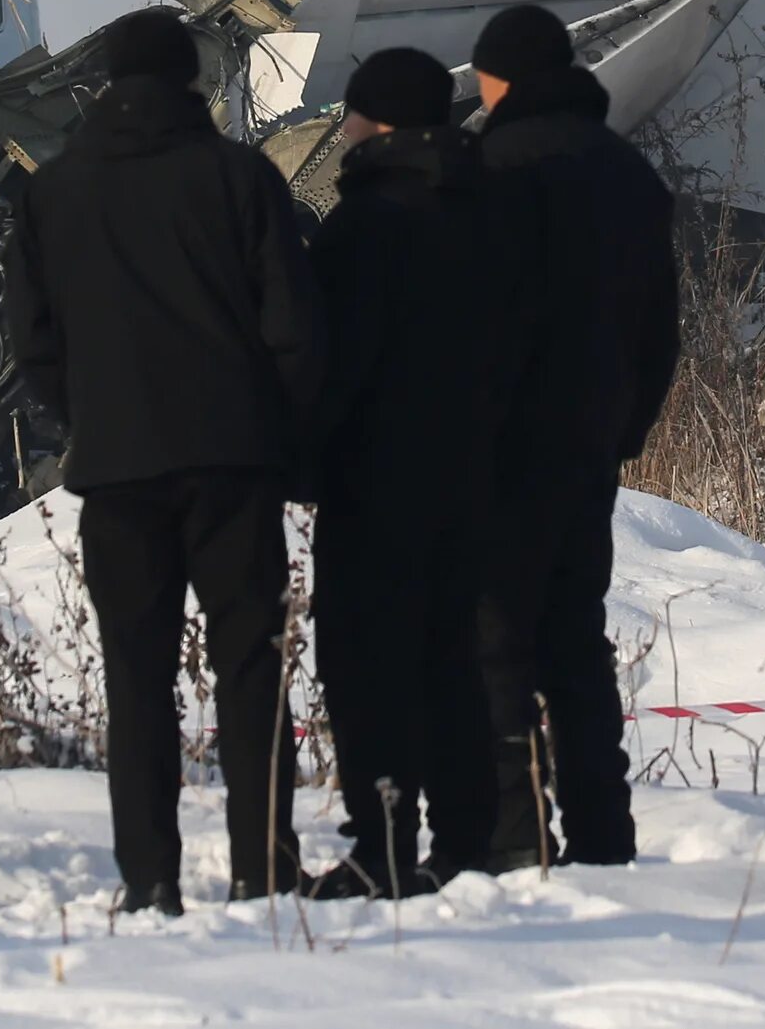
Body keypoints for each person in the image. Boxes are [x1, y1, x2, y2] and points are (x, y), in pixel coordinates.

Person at [4, 8, 323, 915]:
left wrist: (94, 416)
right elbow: (292, 327)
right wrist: (279, 431)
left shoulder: (53, 191)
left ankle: (148, 876)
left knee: (135, 675)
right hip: (232, 462)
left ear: (106, 81)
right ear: (191, 77)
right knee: (252, 665)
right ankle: (264, 865)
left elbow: (31, 341)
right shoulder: (240, 177)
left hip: (116, 469)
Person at [467, 4, 680, 870]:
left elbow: (470, 327)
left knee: (496, 645)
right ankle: (604, 835)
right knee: (576, 645)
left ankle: (517, 839)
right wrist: (622, 428)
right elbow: (659, 329)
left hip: (500, 448)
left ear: (501, 77)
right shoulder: (631, 176)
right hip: (589, 448)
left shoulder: (488, 169)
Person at [299, 46, 508, 899]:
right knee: (453, 659)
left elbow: (332, 364)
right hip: (478, 478)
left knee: (367, 665)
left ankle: (381, 844)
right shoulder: (494, 214)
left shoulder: (363, 226)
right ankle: (467, 839)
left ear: (375, 121)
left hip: (375, 481)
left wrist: (304, 454)